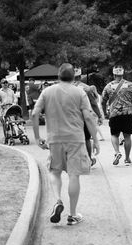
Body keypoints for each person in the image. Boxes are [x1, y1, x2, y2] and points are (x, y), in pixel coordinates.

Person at [32, 63, 100, 225]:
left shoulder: (47, 92)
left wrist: (37, 137)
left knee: (54, 172)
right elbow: (89, 117)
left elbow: (34, 113)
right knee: (74, 175)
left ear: (58, 76)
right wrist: (95, 140)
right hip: (75, 139)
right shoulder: (80, 92)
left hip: (55, 139)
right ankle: (72, 214)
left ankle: (57, 200)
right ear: (74, 77)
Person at [101, 65, 132, 166]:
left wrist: (104, 113)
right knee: (127, 136)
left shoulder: (108, 86)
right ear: (123, 73)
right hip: (128, 114)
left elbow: (103, 101)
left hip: (114, 114)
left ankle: (117, 152)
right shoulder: (131, 85)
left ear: (114, 74)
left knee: (114, 135)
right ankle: (127, 158)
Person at [74, 67, 103, 166]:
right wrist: (99, 115)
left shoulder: (65, 88)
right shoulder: (86, 88)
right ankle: (89, 159)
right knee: (86, 139)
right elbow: (93, 103)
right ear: (80, 76)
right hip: (84, 116)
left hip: (70, 118)